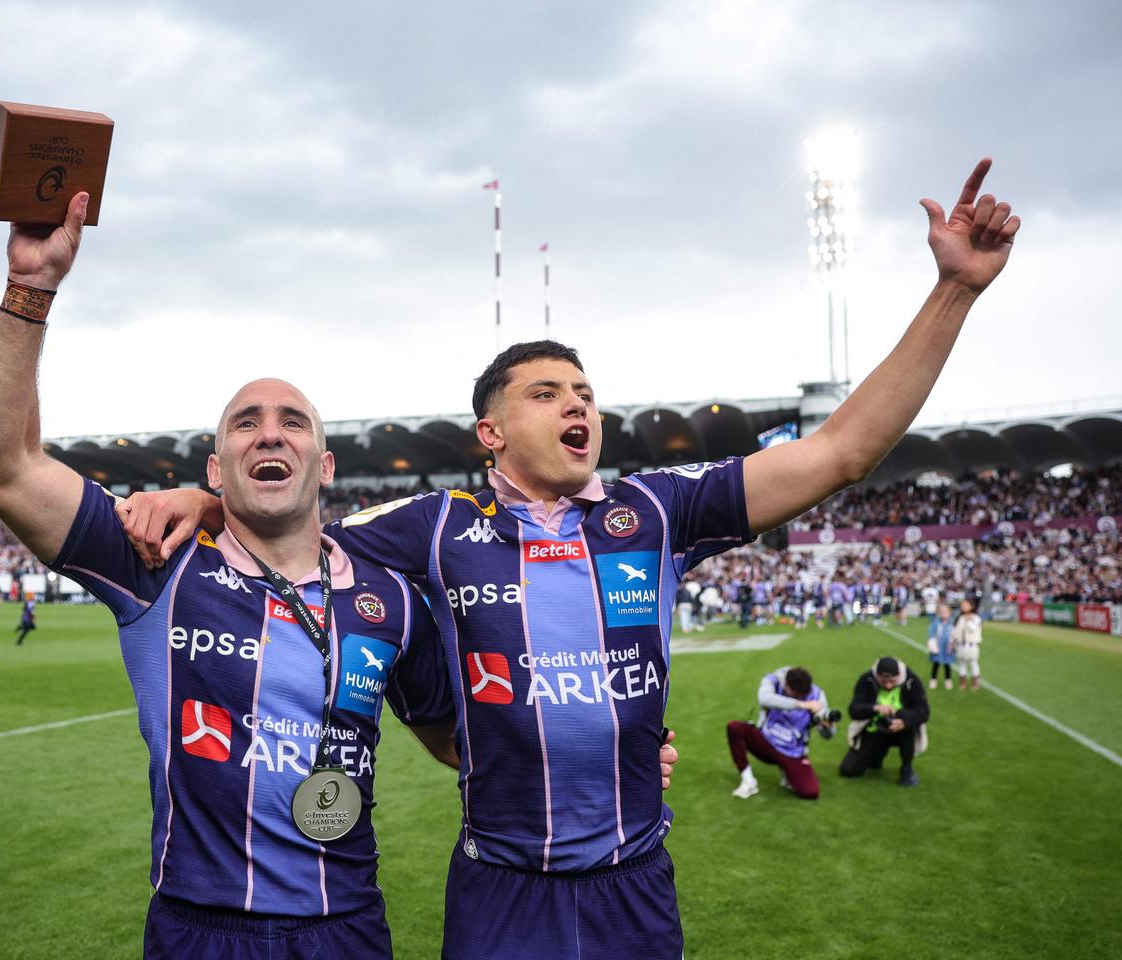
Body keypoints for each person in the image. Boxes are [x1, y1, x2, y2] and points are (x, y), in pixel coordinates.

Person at [126, 157, 1019, 958]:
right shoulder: (435, 526)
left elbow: (840, 452)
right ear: (491, 432)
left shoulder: (656, 510)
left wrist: (954, 292)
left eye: (585, 393)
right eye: (546, 393)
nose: (577, 405)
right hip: (500, 888)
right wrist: (210, 500)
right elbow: (287, 526)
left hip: (634, 881)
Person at [0, 191, 462, 959]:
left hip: (346, 928)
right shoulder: (156, 558)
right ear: (216, 468)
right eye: (245, 423)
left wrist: (621, 754)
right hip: (199, 929)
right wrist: (31, 288)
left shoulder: (388, 597)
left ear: (325, 465)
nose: (270, 433)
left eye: (293, 422)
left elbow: (459, 741)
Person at [725, 666, 834, 801]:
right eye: (795, 694)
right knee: (734, 727)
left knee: (811, 792)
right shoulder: (774, 680)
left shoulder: (817, 695)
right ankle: (748, 782)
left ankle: (787, 774)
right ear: (786, 685)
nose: (799, 697)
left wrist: (826, 726)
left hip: (792, 750)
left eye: (802, 696)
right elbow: (764, 698)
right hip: (765, 740)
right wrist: (801, 704)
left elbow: (828, 735)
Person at [839, 656, 930, 787]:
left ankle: (907, 768)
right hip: (875, 728)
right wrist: (875, 708)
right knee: (848, 770)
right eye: (883, 682)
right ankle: (876, 757)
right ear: (877, 676)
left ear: (899, 676)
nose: (888, 685)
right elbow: (854, 710)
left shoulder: (912, 680)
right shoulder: (867, 680)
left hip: (902, 730)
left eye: (892, 681)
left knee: (908, 723)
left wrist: (904, 722)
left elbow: (923, 711)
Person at [953, 596, 984, 690]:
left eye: (966, 605)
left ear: (972, 606)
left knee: (973, 664)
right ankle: (962, 683)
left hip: (971, 645)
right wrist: (953, 642)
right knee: (961, 664)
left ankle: (975, 682)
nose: (963, 606)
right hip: (961, 645)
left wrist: (969, 620)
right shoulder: (960, 618)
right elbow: (956, 632)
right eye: (962, 605)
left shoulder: (976, 618)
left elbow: (972, 628)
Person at [927, 601, 955, 689]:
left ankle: (948, 680)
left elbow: (955, 634)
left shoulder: (952, 623)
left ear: (949, 612)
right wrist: (933, 645)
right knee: (936, 664)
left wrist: (952, 644)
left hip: (948, 647)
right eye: (941, 612)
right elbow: (931, 634)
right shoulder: (936, 622)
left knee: (947, 665)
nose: (943, 614)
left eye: (946, 611)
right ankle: (933, 680)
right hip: (938, 646)